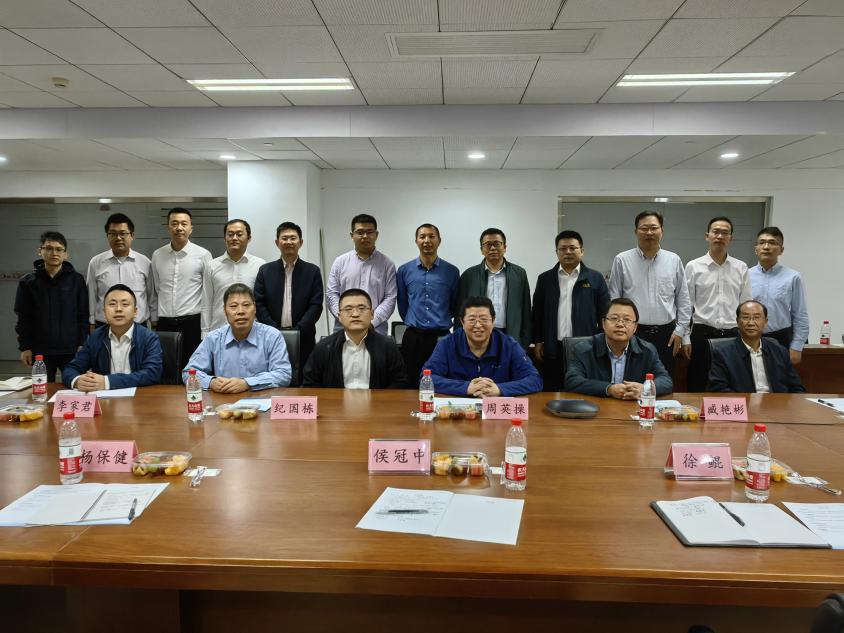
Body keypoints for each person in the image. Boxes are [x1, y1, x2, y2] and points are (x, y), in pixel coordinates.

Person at [608, 211, 691, 375]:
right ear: (635, 231)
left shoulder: (673, 260)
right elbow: (614, 300)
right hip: (633, 334)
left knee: (664, 381)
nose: (649, 232)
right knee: (632, 379)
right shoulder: (622, 260)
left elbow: (683, 300)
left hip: (667, 335)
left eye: (654, 228)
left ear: (662, 231)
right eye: (644, 228)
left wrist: (680, 331)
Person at [532, 230, 609, 391]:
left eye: (573, 248)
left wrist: (601, 342)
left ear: (582, 251)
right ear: (556, 252)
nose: (568, 252)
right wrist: (538, 340)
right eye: (563, 248)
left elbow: (604, 314)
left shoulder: (595, 278)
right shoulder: (545, 279)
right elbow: (537, 312)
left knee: (583, 389)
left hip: (586, 347)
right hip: (553, 346)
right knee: (553, 390)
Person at [683, 216, 752, 392]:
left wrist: (747, 338)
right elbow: (686, 306)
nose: (720, 236)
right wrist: (685, 338)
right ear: (707, 236)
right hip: (701, 334)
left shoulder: (741, 267)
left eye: (725, 233)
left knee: (732, 383)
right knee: (697, 383)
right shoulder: (693, 266)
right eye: (716, 232)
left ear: (731, 238)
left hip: (732, 335)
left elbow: (746, 306)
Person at [423, 296, 542, 397]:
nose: (478, 325)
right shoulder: (447, 343)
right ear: (462, 322)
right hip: (458, 410)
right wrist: (465, 387)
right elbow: (426, 378)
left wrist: (500, 389)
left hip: (496, 410)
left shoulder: (508, 345)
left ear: (493, 320)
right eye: (472, 320)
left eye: (484, 319)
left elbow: (535, 380)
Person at [185, 283, 291, 392]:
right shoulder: (213, 338)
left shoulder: (272, 336)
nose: (240, 311)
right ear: (225, 311)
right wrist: (210, 382)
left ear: (255, 308)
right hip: (224, 400)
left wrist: (248, 383)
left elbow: (284, 374)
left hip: (261, 399)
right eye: (233, 306)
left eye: (246, 305)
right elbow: (189, 372)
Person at [15, 231, 88, 381]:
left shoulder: (77, 280)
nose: (54, 253)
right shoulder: (28, 282)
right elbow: (24, 317)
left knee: (74, 387)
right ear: (40, 251)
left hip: (70, 350)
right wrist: (25, 347)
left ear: (65, 254)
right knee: (42, 389)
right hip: (40, 350)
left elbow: (83, 314)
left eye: (59, 249)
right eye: (49, 248)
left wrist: (82, 343)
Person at [565, 298, 672, 399]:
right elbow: (572, 381)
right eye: (614, 318)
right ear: (603, 323)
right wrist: (609, 389)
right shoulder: (583, 349)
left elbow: (666, 381)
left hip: (632, 408)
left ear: (635, 327)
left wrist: (645, 389)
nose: (620, 324)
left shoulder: (647, 350)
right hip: (596, 407)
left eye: (627, 320)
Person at [62, 284, 163, 391]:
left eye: (125, 304)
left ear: (135, 312)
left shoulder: (149, 338)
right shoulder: (95, 337)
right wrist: (77, 381)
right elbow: (71, 369)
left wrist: (107, 382)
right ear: (104, 313)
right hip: (104, 398)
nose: (118, 309)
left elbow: (152, 373)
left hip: (139, 396)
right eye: (112, 304)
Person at [302, 288, 407, 389]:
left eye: (361, 308)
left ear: (372, 314)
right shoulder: (324, 348)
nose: (355, 314)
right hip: (336, 401)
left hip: (377, 401)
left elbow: (400, 383)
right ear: (339, 316)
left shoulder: (387, 347)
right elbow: (310, 384)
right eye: (348, 309)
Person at [254, 221, 323, 372]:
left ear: (301, 242)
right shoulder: (265, 271)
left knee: (304, 376)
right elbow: (259, 303)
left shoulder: (312, 271)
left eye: (293, 238)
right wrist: (274, 331)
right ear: (277, 243)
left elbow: (316, 305)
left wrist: (297, 331)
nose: (289, 242)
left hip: (304, 337)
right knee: (272, 375)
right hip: (270, 337)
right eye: (284, 238)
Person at [396, 223, 459, 387]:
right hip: (413, 336)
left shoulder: (451, 271)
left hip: (441, 337)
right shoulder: (404, 270)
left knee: (442, 381)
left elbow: (454, 304)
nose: (427, 240)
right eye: (422, 236)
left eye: (431, 236)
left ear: (439, 240)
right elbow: (402, 303)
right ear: (416, 241)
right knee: (411, 381)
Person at [151, 207, 212, 367]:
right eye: (174, 223)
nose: (179, 228)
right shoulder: (158, 255)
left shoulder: (203, 255)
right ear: (168, 227)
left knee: (192, 368)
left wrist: (206, 329)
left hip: (192, 323)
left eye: (184, 224)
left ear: (191, 228)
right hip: (165, 323)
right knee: (165, 368)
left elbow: (207, 294)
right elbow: (157, 289)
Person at [457, 228, 531, 349]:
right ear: (481, 250)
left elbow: (526, 310)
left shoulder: (519, 274)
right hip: (478, 334)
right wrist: (460, 339)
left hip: (510, 335)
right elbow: (460, 310)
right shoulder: (469, 275)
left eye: (497, 244)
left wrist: (525, 341)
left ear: (505, 247)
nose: (492, 248)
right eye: (488, 244)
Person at [709, 300, 805, 393]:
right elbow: (719, 389)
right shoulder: (723, 354)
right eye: (746, 317)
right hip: (744, 403)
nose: (751, 323)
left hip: (777, 402)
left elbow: (796, 387)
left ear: (765, 322)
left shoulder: (779, 351)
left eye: (756, 317)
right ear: (737, 321)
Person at [326, 213, 396, 336]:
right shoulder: (340, 262)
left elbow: (390, 298)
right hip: (343, 329)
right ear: (352, 236)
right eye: (360, 232)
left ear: (376, 235)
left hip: (376, 330)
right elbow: (332, 294)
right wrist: (346, 318)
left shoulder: (387, 264)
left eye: (369, 232)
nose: (365, 236)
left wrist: (371, 322)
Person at [748, 226, 809, 366]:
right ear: (756, 248)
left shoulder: (793, 277)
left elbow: (800, 314)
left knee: (779, 379)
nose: (766, 247)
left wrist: (797, 346)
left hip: (781, 339)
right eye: (762, 242)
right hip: (750, 338)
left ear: (781, 250)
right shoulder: (745, 275)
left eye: (772, 242)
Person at [86, 212, 155, 330]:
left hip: (138, 327)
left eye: (123, 233)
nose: (118, 238)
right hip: (104, 326)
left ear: (132, 235)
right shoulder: (96, 263)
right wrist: (91, 322)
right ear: (107, 236)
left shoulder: (145, 262)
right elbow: (91, 296)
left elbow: (151, 296)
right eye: (113, 234)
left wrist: (154, 321)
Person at [201, 219, 266, 337]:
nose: (234, 238)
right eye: (230, 234)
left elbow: (263, 302)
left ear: (249, 238)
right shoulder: (211, 266)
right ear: (224, 238)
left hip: (252, 331)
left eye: (239, 234)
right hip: (219, 330)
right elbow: (207, 303)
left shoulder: (260, 265)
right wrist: (205, 333)